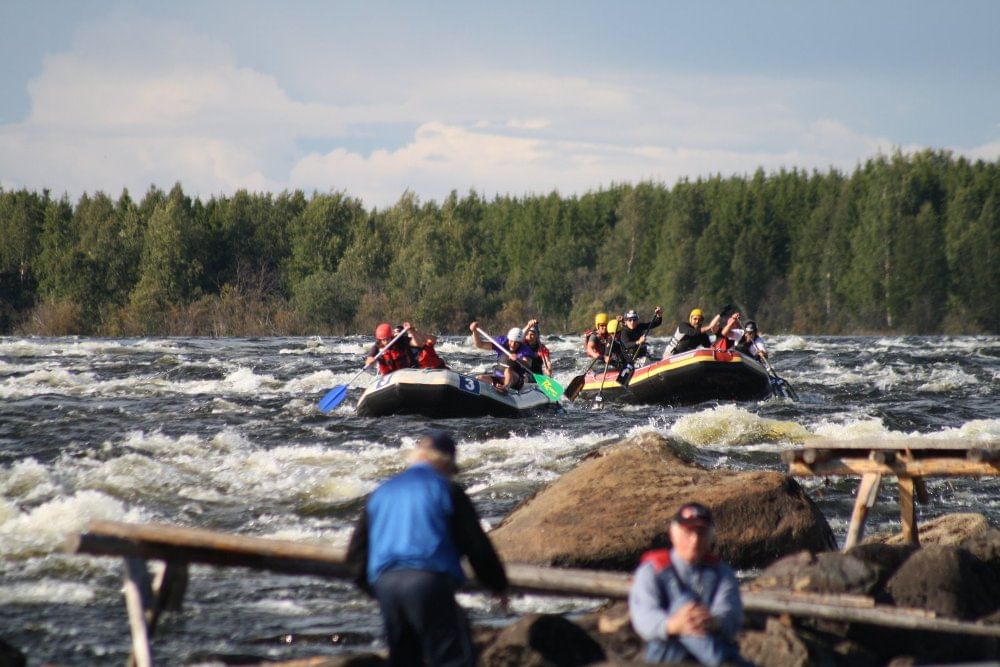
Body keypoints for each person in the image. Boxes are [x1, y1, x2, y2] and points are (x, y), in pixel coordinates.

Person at [346, 430, 508, 667]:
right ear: (446, 463)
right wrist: (497, 584)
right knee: (453, 659)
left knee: (404, 660)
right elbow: (477, 546)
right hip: (428, 580)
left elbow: (355, 554)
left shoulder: (381, 491)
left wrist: (374, 590)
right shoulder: (446, 490)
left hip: (386, 584)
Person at [628, 503, 750, 666]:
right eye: (688, 532)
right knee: (681, 604)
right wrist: (674, 625)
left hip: (713, 639)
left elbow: (731, 615)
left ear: (710, 536)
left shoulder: (722, 573)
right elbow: (644, 617)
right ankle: (719, 661)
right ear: (673, 533)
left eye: (701, 533)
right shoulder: (652, 571)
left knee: (684, 605)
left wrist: (710, 621)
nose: (694, 539)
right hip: (667, 654)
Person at [469, 321, 536, 393]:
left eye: (516, 343)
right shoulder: (502, 343)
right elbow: (480, 345)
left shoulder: (524, 350)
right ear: (508, 339)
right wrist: (474, 331)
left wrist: (518, 359)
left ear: (520, 343)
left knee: (508, 370)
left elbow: (528, 364)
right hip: (499, 378)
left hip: (516, 381)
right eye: (511, 341)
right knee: (480, 378)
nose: (513, 345)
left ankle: (505, 388)